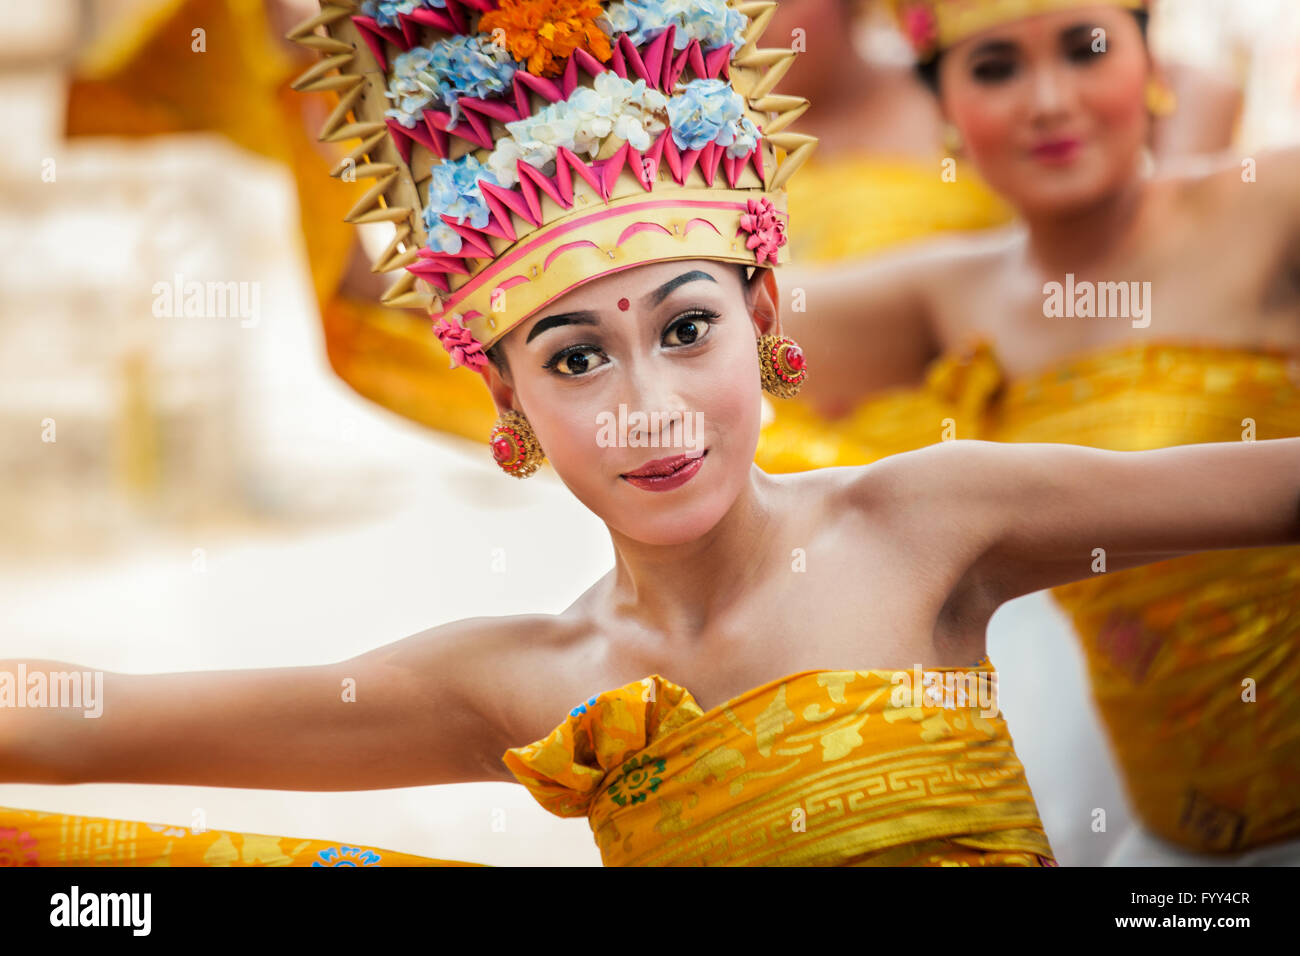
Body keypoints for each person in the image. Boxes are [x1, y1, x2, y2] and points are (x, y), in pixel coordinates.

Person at [4, 0, 1298, 868]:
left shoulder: (925, 520)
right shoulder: (528, 683)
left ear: (768, 319)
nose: (650, 408)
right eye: (576, 359)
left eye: (686, 330)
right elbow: (85, 718)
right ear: (506, 403)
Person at [777, 0, 1300, 861]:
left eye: (1086, 49)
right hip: (1181, 854)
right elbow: (715, 313)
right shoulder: (949, 296)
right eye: (994, 69)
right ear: (942, 107)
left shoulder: (1268, 208)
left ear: (1151, 65)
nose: (1048, 100)